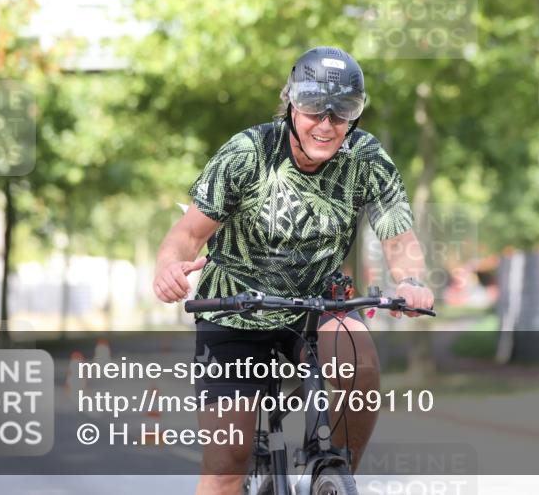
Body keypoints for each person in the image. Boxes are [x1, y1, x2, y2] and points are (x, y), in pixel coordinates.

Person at [152, 46, 434, 495]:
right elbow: (187, 234)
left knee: (358, 361)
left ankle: (333, 473)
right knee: (227, 464)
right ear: (291, 106)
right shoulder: (248, 153)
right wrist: (168, 267)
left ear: (354, 117)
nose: (326, 124)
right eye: (313, 111)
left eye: (341, 114)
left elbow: (399, 238)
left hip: (318, 302)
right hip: (235, 309)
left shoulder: (365, 158)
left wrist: (412, 282)